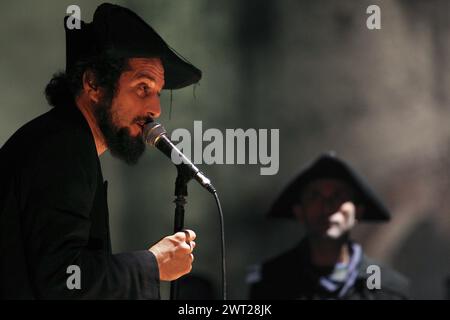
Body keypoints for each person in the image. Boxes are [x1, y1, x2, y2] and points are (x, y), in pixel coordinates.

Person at [0, 3, 202, 299]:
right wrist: (152, 264)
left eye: (158, 93)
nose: (155, 109)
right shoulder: (63, 148)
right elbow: (62, 278)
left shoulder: (66, 140)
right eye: (143, 87)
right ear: (94, 83)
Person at [248, 153, 409, 300]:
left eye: (338, 196)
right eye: (315, 197)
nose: (326, 208)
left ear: (357, 213)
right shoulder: (270, 283)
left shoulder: (388, 288)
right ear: (299, 212)